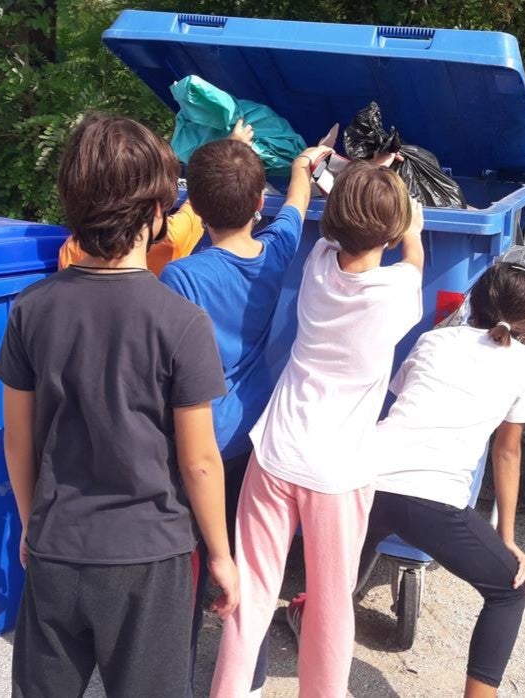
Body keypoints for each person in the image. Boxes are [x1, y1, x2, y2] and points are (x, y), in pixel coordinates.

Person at [0, 114, 239, 698]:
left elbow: (17, 438)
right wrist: (222, 557)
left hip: (56, 547)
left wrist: (33, 523)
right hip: (150, 561)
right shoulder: (181, 323)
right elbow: (200, 460)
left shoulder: (30, 309)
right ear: (158, 214)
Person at [285, 262, 525, 698]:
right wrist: (507, 537)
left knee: (345, 575)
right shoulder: (523, 363)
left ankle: (306, 615)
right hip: (433, 499)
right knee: (508, 590)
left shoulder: (434, 340)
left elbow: (397, 406)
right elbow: (507, 450)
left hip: (365, 478)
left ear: (473, 300)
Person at [211, 162, 425, 698]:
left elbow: (345, 223)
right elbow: (414, 260)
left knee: (251, 595)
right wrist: (413, 232)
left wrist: (357, 173)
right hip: (337, 475)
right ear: (394, 231)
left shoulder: (318, 264)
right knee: (331, 608)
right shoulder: (399, 291)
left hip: (275, 452)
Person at [162, 136, 331, 695]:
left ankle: (177, 677)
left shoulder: (182, 278)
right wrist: (307, 161)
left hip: (197, 447)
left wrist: (225, 158)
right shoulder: (278, 251)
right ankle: (249, 683)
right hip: (255, 440)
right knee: (252, 569)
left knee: (188, 574)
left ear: (197, 207)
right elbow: (299, 202)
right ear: (260, 202)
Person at [55, 119, 255, 274]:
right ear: (156, 207)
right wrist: (229, 154)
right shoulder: (171, 239)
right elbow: (200, 199)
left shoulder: (70, 251)